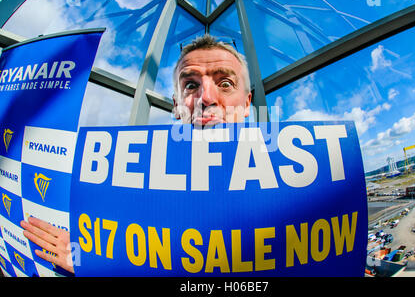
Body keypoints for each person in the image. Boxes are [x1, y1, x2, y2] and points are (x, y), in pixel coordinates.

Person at [20, 34, 253, 275]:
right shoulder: (118, 187)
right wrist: (95, 260)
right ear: (176, 106)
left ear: (247, 104)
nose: (206, 98)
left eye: (225, 83)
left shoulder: (292, 194)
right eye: (191, 86)